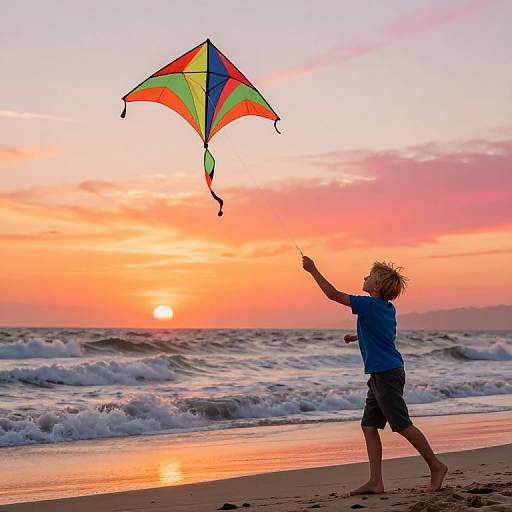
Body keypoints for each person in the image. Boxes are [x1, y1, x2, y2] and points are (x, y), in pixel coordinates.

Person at [302, 256, 448, 494]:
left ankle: (436, 466)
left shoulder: (368, 305)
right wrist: (358, 337)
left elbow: (332, 294)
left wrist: (313, 270)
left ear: (377, 286)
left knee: (401, 425)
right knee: (369, 426)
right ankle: (376, 481)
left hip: (386, 374)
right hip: (384, 373)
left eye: (369, 276)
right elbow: (382, 334)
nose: (364, 278)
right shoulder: (388, 308)